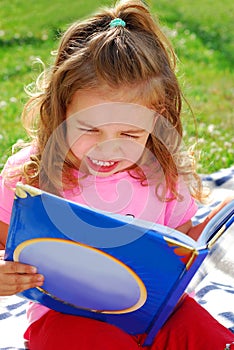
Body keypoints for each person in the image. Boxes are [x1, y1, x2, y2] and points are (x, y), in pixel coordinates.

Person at [0, 0, 233, 349]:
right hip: (66, 317)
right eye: (89, 130)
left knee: (205, 334)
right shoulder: (29, 172)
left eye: (130, 135)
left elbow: (175, 240)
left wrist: (197, 236)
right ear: (60, 110)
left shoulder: (164, 173)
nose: (107, 149)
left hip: (152, 313)